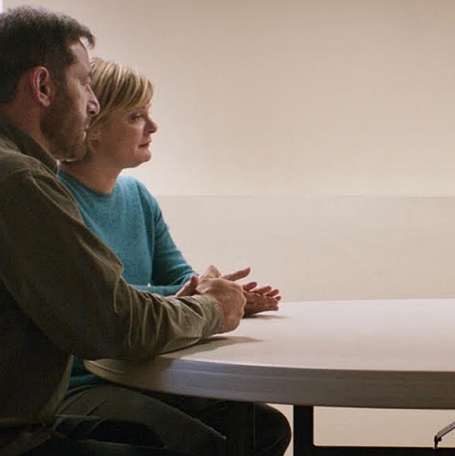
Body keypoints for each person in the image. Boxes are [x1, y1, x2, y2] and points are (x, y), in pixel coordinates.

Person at [0, 6, 248, 456]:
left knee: (234, 430)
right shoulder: (6, 176)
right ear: (42, 86)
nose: (93, 103)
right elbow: (116, 326)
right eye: (85, 83)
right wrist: (213, 309)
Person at [54, 57, 289, 456]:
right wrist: (205, 298)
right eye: (136, 116)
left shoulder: (137, 196)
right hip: (80, 383)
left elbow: (179, 277)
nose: (153, 126)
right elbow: (111, 299)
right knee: (202, 443)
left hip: (142, 371)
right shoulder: (55, 200)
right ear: (94, 127)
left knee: (265, 428)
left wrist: (225, 295)